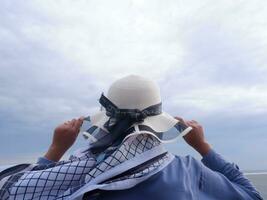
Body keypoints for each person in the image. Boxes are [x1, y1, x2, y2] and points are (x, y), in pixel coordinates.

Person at [0, 75, 263, 200]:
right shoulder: (189, 172)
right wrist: (203, 148)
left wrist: (54, 151)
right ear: (158, 121)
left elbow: (14, 190)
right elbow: (250, 195)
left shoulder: (78, 176)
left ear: (106, 120)